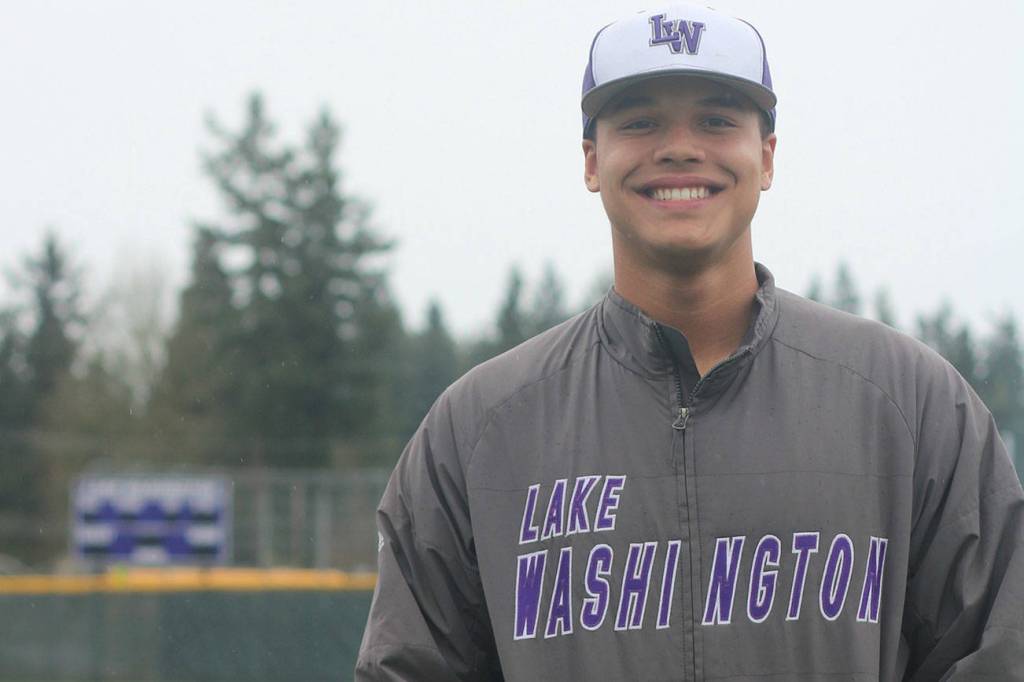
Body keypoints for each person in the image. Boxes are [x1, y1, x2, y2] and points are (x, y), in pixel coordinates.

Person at [356, 4, 1024, 680]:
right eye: (640, 122)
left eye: (717, 120)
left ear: (766, 157)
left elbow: (998, 655)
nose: (679, 147)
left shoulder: (910, 403)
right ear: (592, 160)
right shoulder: (479, 429)